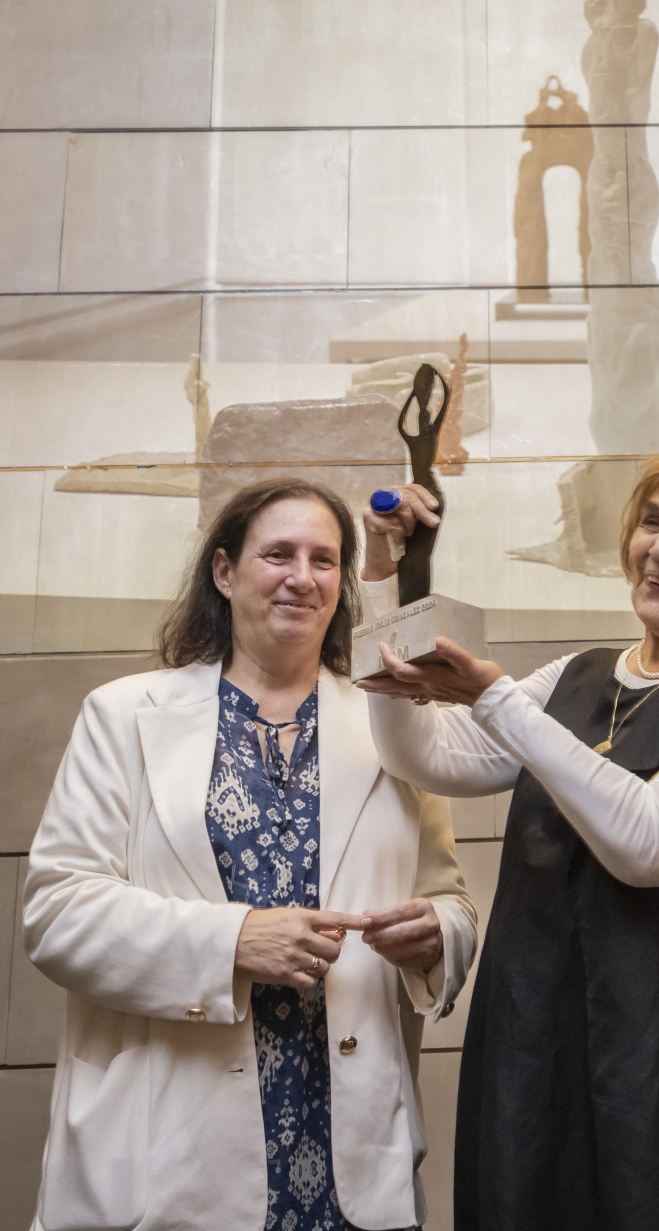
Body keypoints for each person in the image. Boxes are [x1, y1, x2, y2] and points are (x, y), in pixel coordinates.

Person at [357, 445, 659, 1231]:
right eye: (651, 521)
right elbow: (423, 753)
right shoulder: (577, 675)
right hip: (538, 1039)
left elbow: (651, 841)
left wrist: (499, 700)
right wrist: (382, 578)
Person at [23, 478, 476, 1231]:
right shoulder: (123, 716)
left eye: (325, 559)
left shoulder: (395, 727)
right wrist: (233, 941)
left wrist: (438, 935)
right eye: (279, 554)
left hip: (349, 1169)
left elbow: (450, 897)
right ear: (225, 572)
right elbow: (55, 911)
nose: (303, 576)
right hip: (168, 1162)